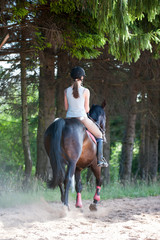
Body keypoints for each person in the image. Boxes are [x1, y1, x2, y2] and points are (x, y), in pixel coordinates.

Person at [64, 66, 108, 167]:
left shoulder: (66, 91)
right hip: (82, 118)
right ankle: (100, 159)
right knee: (99, 135)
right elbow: (87, 109)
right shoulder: (85, 91)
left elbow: (66, 108)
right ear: (82, 78)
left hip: (69, 119)